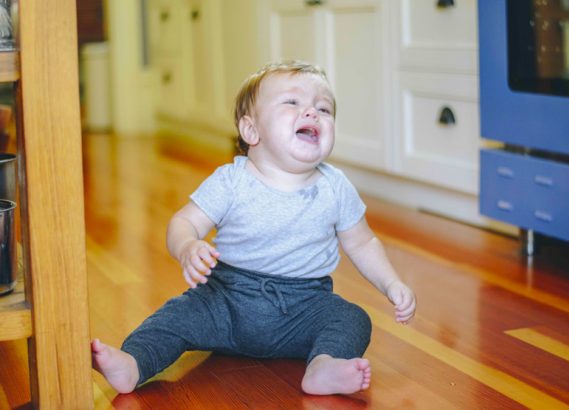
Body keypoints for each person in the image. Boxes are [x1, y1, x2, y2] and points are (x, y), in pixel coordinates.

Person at [92, 60, 416, 396]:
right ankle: (134, 362)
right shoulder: (232, 181)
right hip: (224, 302)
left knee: (352, 319)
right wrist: (187, 246)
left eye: (324, 108)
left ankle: (323, 365)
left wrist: (391, 283)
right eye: (292, 102)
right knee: (175, 317)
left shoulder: (336, 187)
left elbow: (362, 243)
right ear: (251, 131)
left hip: (304, 309)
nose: (312, 113)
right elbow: (183, 221)